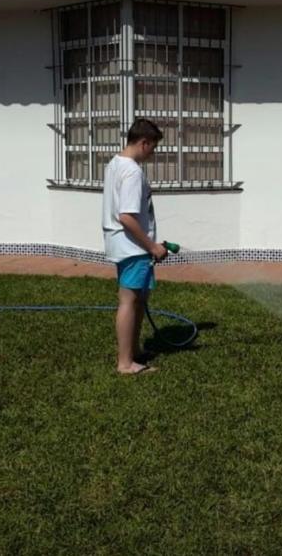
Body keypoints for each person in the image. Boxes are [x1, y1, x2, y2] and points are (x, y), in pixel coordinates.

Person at [102, 118, 168, 375]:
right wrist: (151, 245)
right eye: (153, 147)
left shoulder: (114, 164)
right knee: (129, 301)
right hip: (132, 246)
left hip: (124, 244)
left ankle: (133, 352)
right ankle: (126, 363)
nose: (153, 153)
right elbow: (127, 216)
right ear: (143, 143)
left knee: (138, 300)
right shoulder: (131, 171)